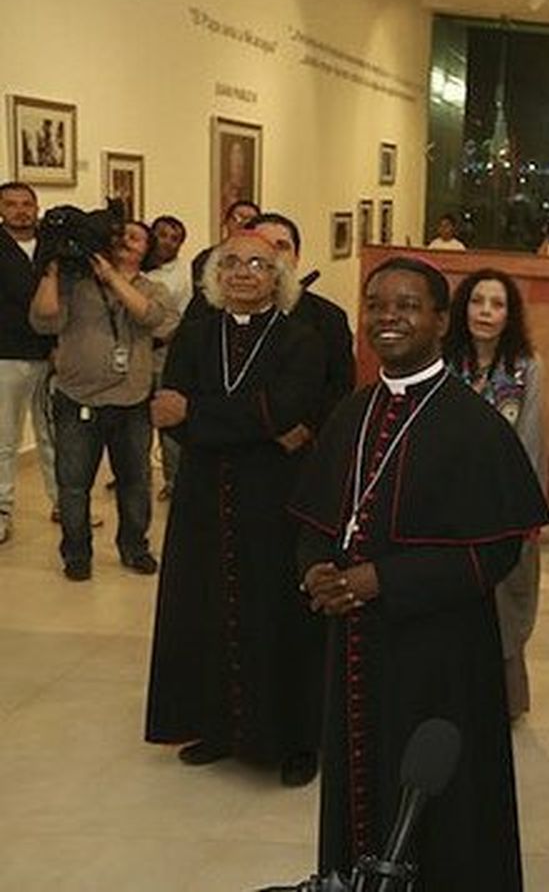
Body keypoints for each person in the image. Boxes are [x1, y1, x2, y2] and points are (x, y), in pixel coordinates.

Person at [287, 257, 549, 891]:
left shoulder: (474, 426)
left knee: (440, 807)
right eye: (376, 304)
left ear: (439, 320)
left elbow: (494, 552)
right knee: (358, 788)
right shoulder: (351, 412)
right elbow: (316, 520)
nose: (388, 318)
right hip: (353, 647)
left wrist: (385, 580)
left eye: (406, 306)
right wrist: (315, 570)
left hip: (441, 660)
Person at [144, 231, 327, 786]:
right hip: (203, 497)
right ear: (215, 277)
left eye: (258, 263)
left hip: (275, 499)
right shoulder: (196, 335)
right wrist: (257, 424)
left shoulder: (302, 338)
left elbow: (287, 407)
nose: (244, 272)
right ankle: (217, 727)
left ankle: (296, 741)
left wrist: (199, 414)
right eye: (231, 263)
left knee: (279, 614)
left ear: (279, 277)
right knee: (207, 610)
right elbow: (164, 412)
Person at [30, 213, 175, 580]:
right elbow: (42, 319)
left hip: (132, 402)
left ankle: (134, 547)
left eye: (137, 238)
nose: (127, 241)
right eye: (121, 234)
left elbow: (152, 318)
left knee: (135, 481)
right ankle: (76, 556)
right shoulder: (75, 283)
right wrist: (51, 269)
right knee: (74, 485)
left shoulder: (152, 287)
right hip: (77, 399)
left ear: (147, 251)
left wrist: (111, 277)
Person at [444, 269, 546, 719]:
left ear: (510, 315)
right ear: (462, 308)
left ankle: (502, 705)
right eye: (477, 301)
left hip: (502, 509)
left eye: (497, 304)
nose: (486, 312)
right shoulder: (441, 363)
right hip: (444, 510)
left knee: (504, 609)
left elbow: (531, 443)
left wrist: (524, 515)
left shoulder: (526, 367)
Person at [245, 214, 356, 427]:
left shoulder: (329, 319)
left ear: (296, 258)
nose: (272, 255)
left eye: (282, 246)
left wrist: (306, 429)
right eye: (261, 244)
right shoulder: (208, 311)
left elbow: (340, 392)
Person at [0, 181, 56, 542]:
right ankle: (2, 510)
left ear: (37, 208)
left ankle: (63, 503)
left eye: (27, 204)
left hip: (53, 353)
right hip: (6, 354)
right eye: (11, 204)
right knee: (4, 439)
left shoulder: (52, 246)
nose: (21, 210)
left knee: (53, 436)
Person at [142, 215, 190, 500]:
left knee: (166, 421)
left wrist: (159, 341)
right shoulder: (137, 269)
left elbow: (183, 320)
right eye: (163, 235)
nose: (168, 242)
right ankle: (136, 474)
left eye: (175, 238)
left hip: (164, 355)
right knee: (135, 423)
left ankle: (173, 480)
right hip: (133, 358)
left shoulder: (182, 273)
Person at [187, 198, 259, 311]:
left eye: (251, 220)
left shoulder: (264, 259)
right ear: (226, 222)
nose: (244, 224)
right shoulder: (207, 258)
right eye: (238, 218)